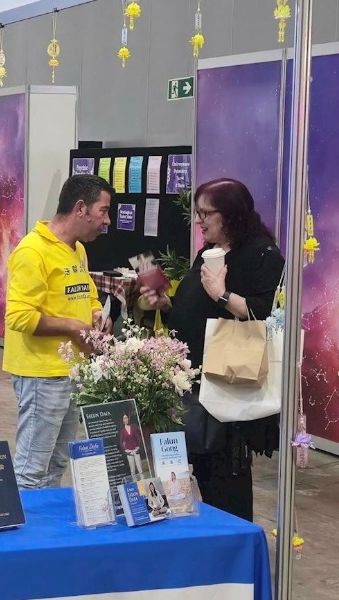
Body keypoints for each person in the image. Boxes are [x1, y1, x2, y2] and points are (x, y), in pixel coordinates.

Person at [140, 178, 284, 521]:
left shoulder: (263, 254)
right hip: (191, 384)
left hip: (228, 385)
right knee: (190, 470)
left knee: (225, 478)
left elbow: (272, 317)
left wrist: (222, 294)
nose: (200, 221)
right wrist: (166, 303)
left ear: (231, 215)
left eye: (207, 213)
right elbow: (195, 308)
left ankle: (231, 542)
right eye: (198, 213)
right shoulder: (209, 252)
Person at [3, 174, 114, 488]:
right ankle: (22, 536)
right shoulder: (32, 251)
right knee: (31, 468)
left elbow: (86, 293)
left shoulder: (76, 250)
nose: (106, 220)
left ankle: (46, 534)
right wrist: (72, 327)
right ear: (81, 208)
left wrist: (95, 314)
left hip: (72, 371)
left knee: (57, 464)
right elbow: (19, 316)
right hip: (42, 374)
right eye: (103, 211)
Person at [118, 414, 144, 480]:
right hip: (129, 452)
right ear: (122, 420)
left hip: (136, 450)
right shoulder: (122, 431)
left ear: (128, 418)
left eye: (126, 418)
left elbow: (139, 437)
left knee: (140, 469)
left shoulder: (133, 427)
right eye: (124, 418)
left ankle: (144, 483)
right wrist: (125, 450)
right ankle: (135, 483)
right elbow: (121, 442)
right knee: (132, 470)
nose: (126, 420)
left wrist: (138, 446)